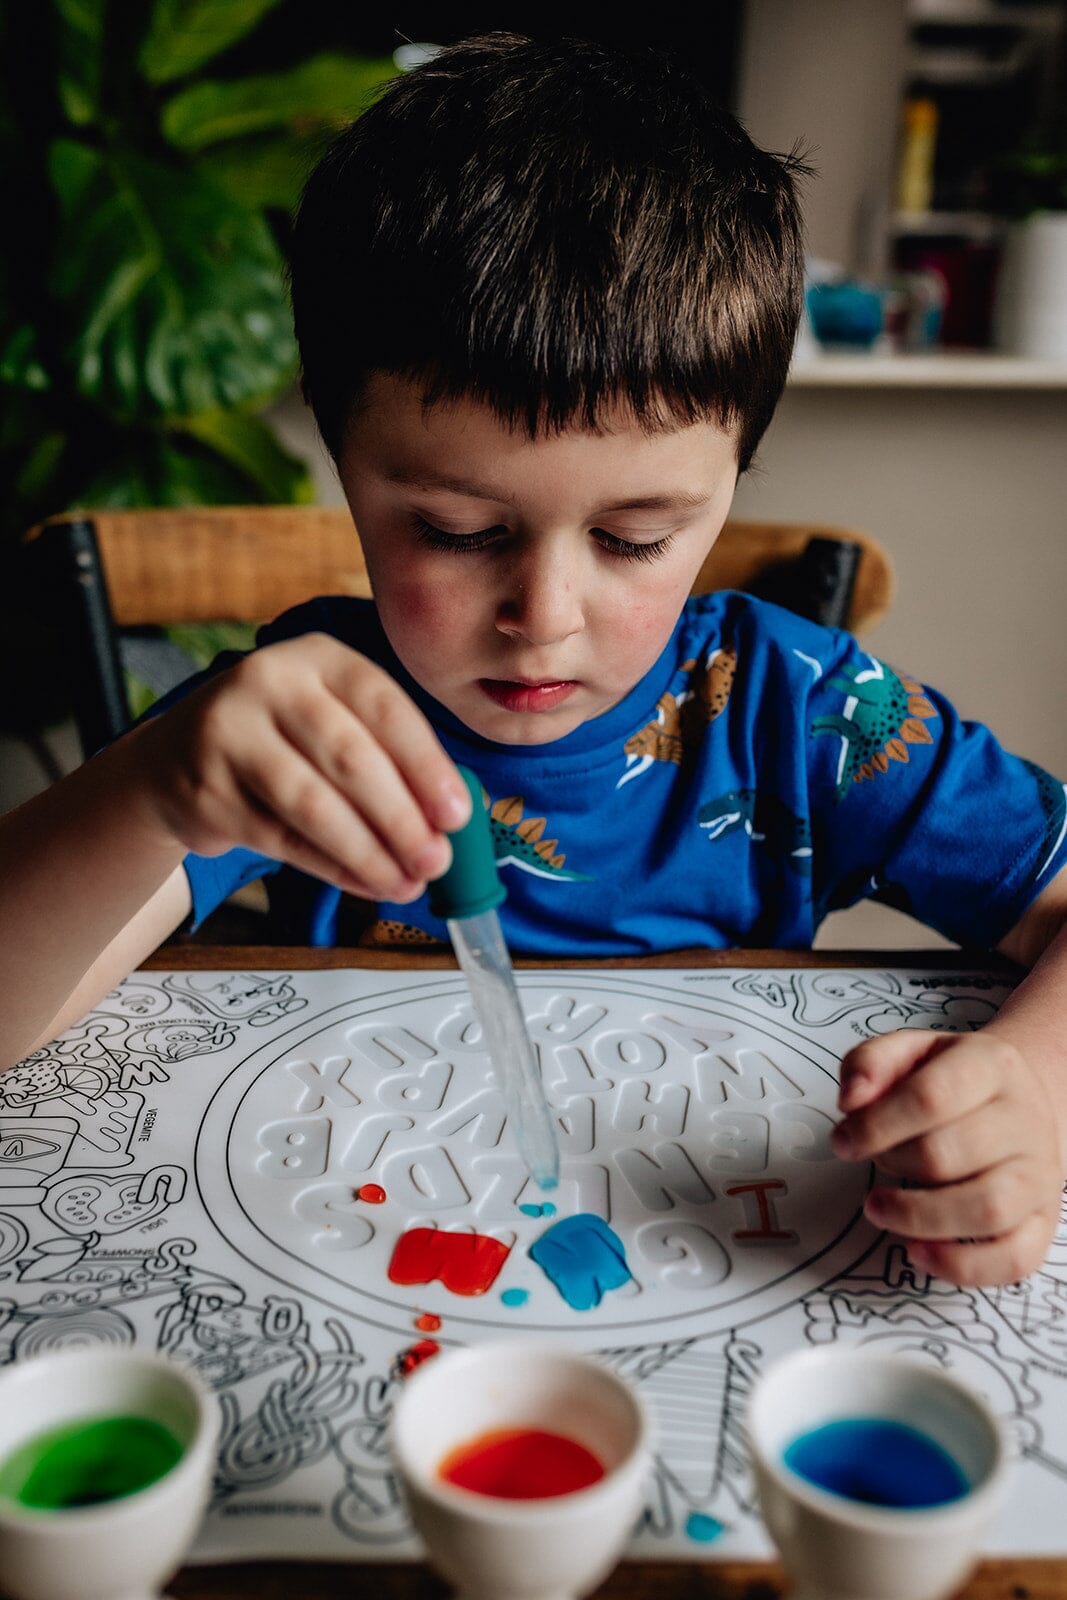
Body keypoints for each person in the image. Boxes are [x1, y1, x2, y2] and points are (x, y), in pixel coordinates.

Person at [2, 34, 1066, 1289]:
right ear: (346, 464)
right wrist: (150, 788)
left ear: (729, 485)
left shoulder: (805, 714)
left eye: (634, 538)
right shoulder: (299, 730)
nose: (544, 614)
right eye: (457, 532)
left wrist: (1035, 1088)